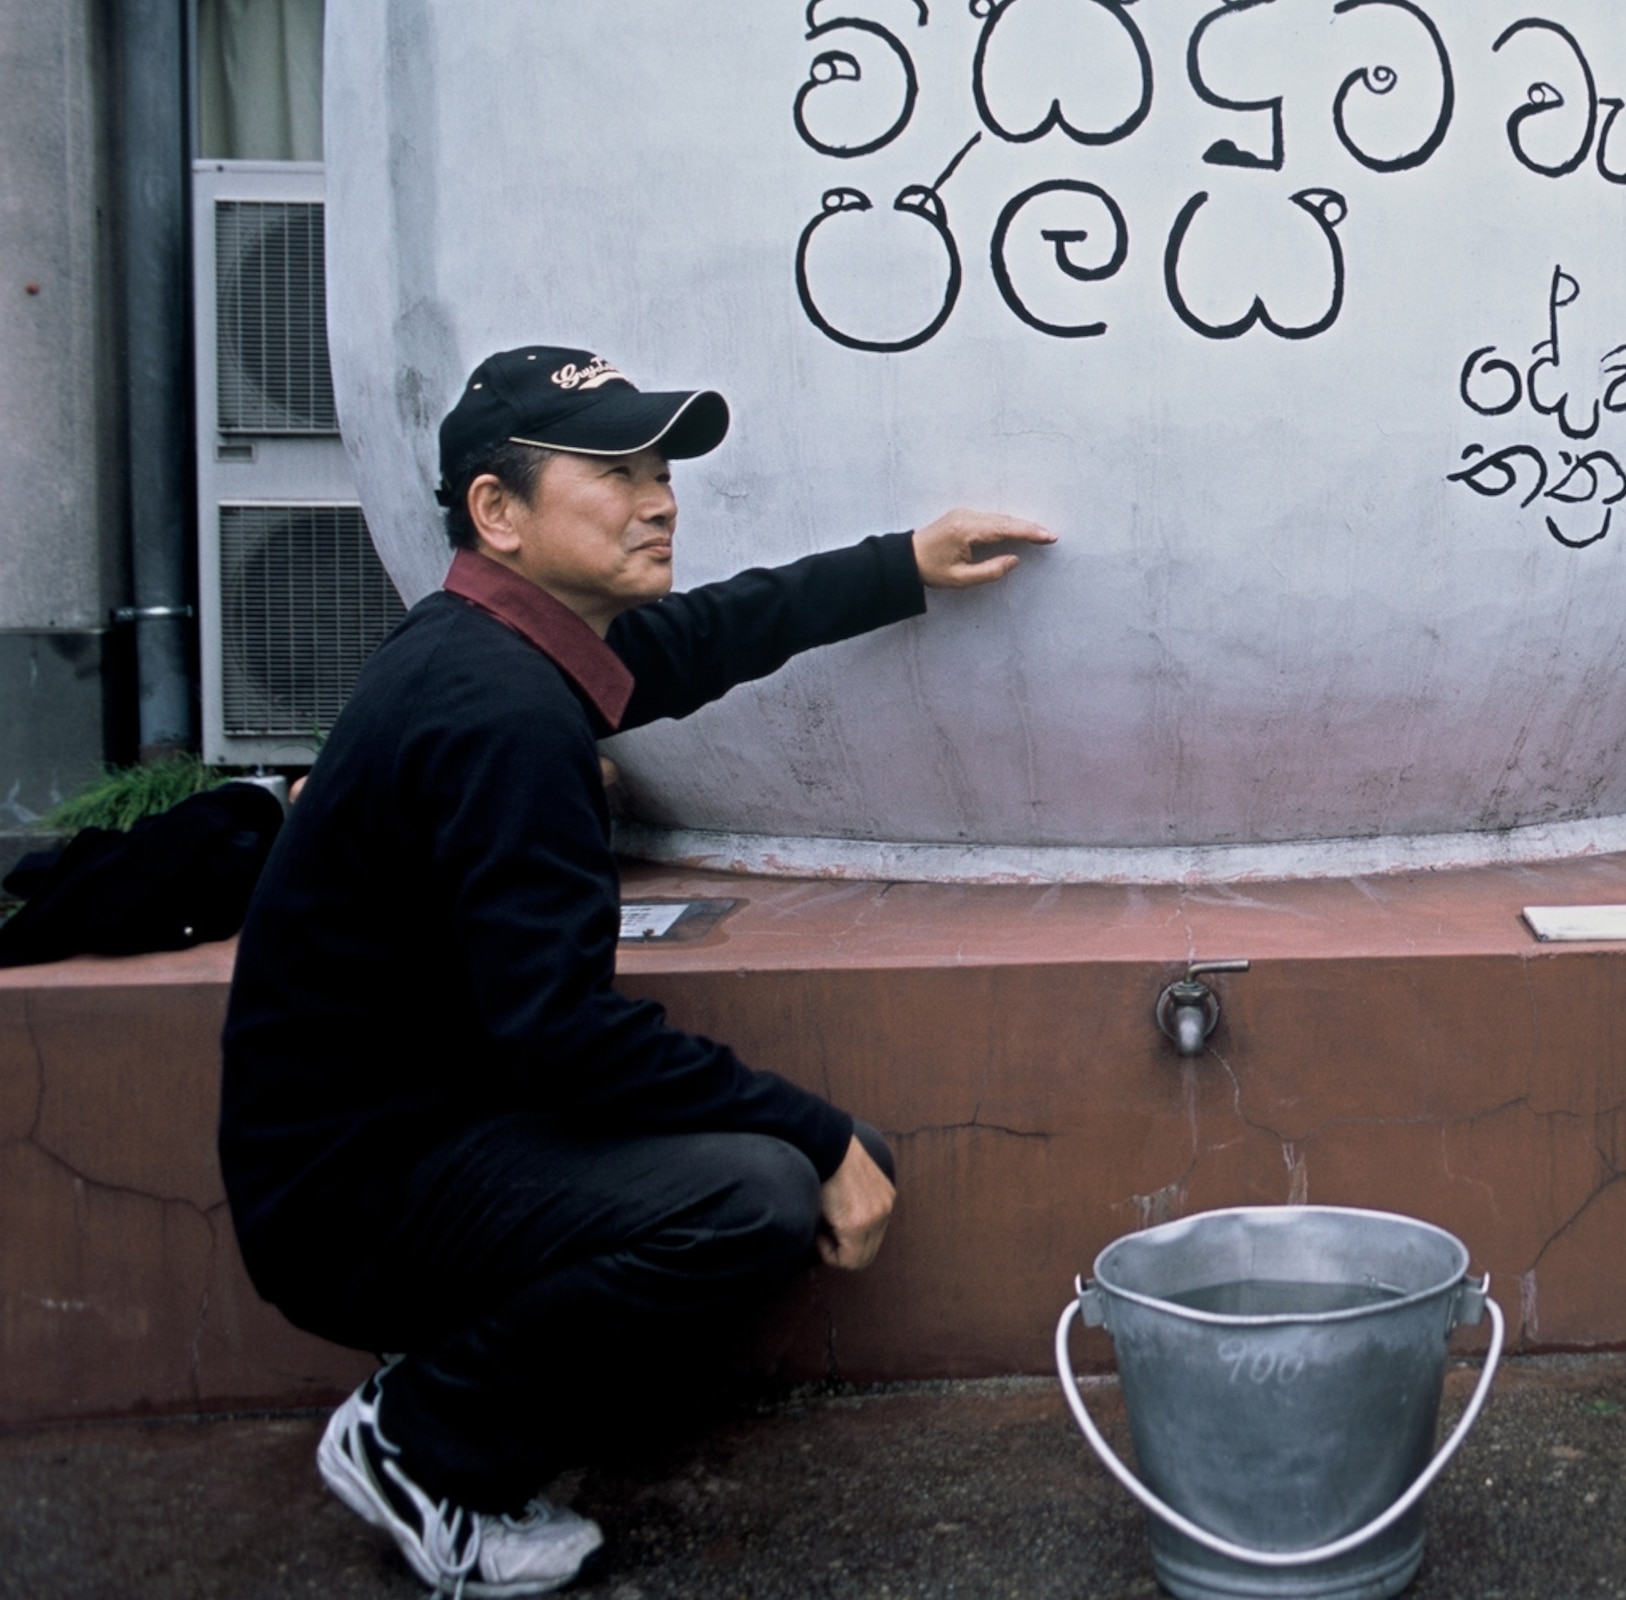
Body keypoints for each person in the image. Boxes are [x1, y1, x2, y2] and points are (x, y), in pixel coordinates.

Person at [220, 345, 1055, 1597]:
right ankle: (422, 1444)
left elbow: (707, 635)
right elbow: (561, 1032)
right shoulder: (502, 712)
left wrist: (905, 561)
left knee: (791, 1162)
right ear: (497, 511)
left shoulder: (491, 645)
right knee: (754, 1194)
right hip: (354, 1196)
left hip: (396, 1134)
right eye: (612, 471)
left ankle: (456, 1370)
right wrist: (818, 1133)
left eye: (659, 467)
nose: (659, 497)